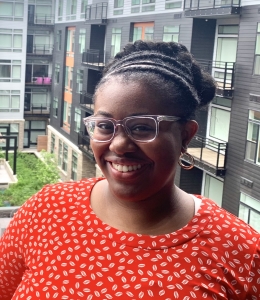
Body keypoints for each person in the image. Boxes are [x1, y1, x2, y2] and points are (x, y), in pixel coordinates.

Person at [0, 40, 259, 300]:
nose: (119, 144)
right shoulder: (46, 211)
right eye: (104, 125)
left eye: (142, 127)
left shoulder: (241, 251)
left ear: (185, 135)